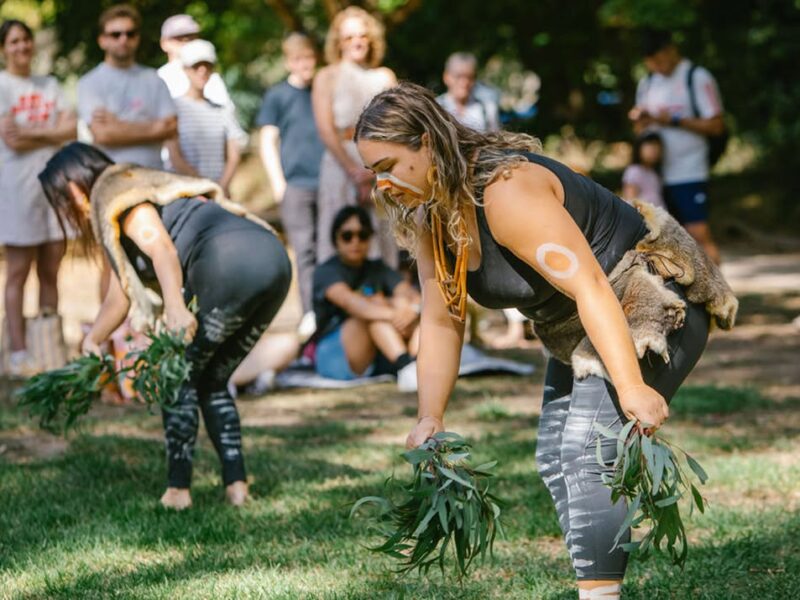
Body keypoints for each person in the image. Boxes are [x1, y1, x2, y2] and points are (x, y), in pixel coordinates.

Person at [353, 83, 738, 598]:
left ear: (426, 143)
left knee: (587, 449)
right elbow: (443, 317)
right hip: (579, 326)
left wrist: (631, 387)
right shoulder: (432, 214)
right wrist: (431, 416)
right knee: (555, 456)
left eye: (387, 165)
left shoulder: (506, 191)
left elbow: (592, 286)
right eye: (372, 171)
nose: (381, 184)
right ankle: (599, 578)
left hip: (648, 298)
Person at [39, 142, 292, 510]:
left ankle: (178, 492)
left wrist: (175, 307)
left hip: (229, 263)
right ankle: (237, 487)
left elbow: (160, 246)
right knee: (211, 378)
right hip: (271, 261)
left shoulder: (115, 188)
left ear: (75, 185)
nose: (68, 209)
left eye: (63, 199)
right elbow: (120, 294)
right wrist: (93, 339)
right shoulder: (132, 194)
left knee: (174, 375)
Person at [0, 19, 77, 376]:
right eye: (14, 42)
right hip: (17, 189)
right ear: (4, 49)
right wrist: (51, 133)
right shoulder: (2, 85)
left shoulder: (50, 84)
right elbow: (11, 140)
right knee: (18, 271)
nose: (21, 47)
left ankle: (49, 349)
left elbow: (70, 128)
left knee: (51, 269)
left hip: (54, 189)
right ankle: (17, 352)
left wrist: (31, 130)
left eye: (25, 40)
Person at [312, 6, 398, 267]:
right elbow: (326, 130)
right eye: (349, 37)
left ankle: (383, 296)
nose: (357, 41)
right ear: (339, 42)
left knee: (379, 231)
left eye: (362, 35)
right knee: (342, 228)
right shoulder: (327, 76)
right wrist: (353, 171)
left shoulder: (384, 77)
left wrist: (374, 171)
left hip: (380, 166)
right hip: (341, 163)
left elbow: (396, 129)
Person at [629, 29, 724, 264]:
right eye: (651, 63)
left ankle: (721, 292)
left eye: (660, 60)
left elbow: (716, 125)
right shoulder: (648, 82)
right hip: (656, 173)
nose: (658, 67)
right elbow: (640, 131)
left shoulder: (696, 77)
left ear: (671, 51)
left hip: (688, 169)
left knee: (698, 233)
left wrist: (672, 120)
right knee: (662, 240)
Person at [258, 32, 325, 332]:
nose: (305, 64)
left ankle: (331, 310)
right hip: (295, 184)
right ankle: (310, 312)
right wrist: (278, 183)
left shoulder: (324, 90)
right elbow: (267, 139)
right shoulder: (278, 95)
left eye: (309, 58)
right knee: (305, 249)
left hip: (328, 182)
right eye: (298, 59)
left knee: (329, 247)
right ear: (289, 62)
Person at [313, 206, 420, 391]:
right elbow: (350, 303)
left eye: (362, 235)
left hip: (375, 351)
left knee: (407, 308)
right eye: (347, 236)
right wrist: (394, 313)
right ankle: (406, 365)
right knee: (373, 314)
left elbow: (410, 294)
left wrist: (408, 309)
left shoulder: (377, 268)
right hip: (335, 352)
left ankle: (414, 365)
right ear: (335, 238)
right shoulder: (326, 272)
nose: (355, 242)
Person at [77, 4, 177, 170]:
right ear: (102, 40)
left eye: (130, 34)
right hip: (111, 178)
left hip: (154, 176)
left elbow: (171, 128)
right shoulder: (89, 83)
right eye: (115, 34)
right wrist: (154, 128)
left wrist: (118, 124)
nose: (123, 39)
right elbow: (103, 135)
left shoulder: (154, 79)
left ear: (137, 38)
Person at [165, 40, 246, 195]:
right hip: (185, 193)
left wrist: (220, 187)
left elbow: (233, 155)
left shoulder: (223, 110)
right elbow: (175, 157)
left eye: (207, 66)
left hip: (220, 193)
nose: (202, 71)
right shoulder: (173, 109)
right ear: (185, 69)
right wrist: (205, 187)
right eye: (196, 66)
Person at [157, 13, 232, 108]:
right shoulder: (158, 78)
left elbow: (225, 111)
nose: (186, 41)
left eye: (191, 37)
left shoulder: (209, 75)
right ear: (164, 43)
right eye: (179, 37)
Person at [437, 52, 500, 133]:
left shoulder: (488, 109)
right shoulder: (436, 107)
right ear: (446, 77)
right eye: (458, 76)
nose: (464, 83)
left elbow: (495, 142)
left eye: (470, 77)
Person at [621, 131, 667, 210]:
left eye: (657, 146)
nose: (654, 150)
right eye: (650, 145)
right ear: (639, 148)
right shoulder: (634, 171)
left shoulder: (654, 172)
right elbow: (631, 200)